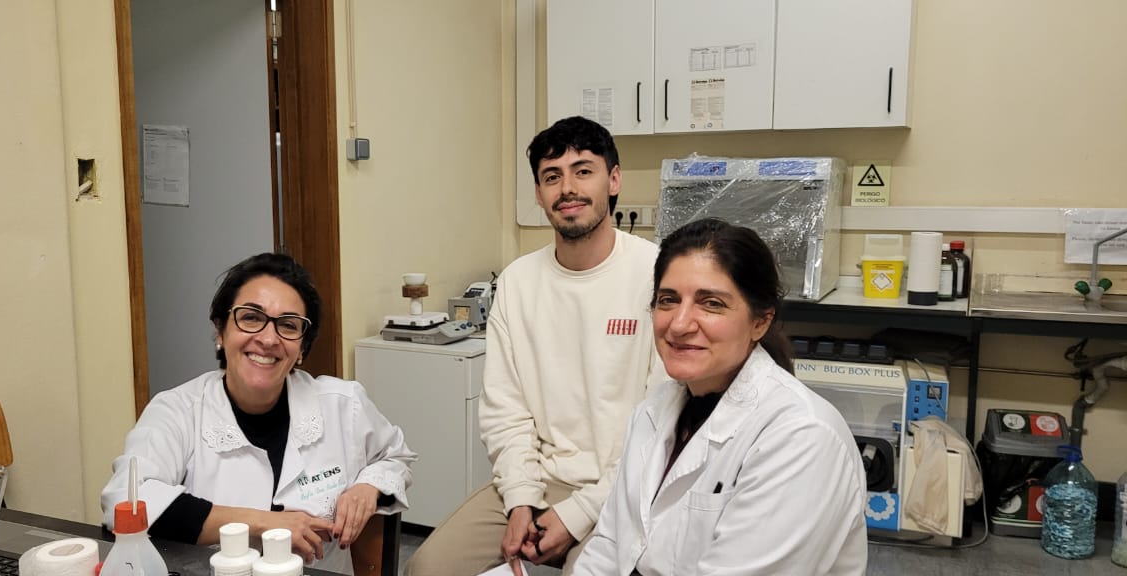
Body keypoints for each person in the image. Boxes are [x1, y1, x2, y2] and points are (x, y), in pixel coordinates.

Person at [405, 116, 661, 576]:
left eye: (583, 171)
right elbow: (506, 411)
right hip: (540, 481)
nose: (568, 188)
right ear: (539, 194)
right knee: (427, 568)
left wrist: (579, 513)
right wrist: (521, 499)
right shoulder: (518, 282)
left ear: (614, 180)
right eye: (552, 176)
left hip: (626, 485)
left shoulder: (656, 275)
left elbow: (663, 425)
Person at [572, 218, 867, 576]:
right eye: (668, 300)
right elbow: (610, 544)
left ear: (760, 322)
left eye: (711, 303)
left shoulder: (803, 437)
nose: (679, 324)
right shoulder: (654, 410)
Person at [101, 253, 416, 574]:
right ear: (220, 331)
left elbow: (395, 457)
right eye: (251, 318)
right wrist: (264, 522)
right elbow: (126, 502)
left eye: (288, 325)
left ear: (302, 348)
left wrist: (368, 487)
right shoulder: (176, 411)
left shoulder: (343, 404)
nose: (268, 338)